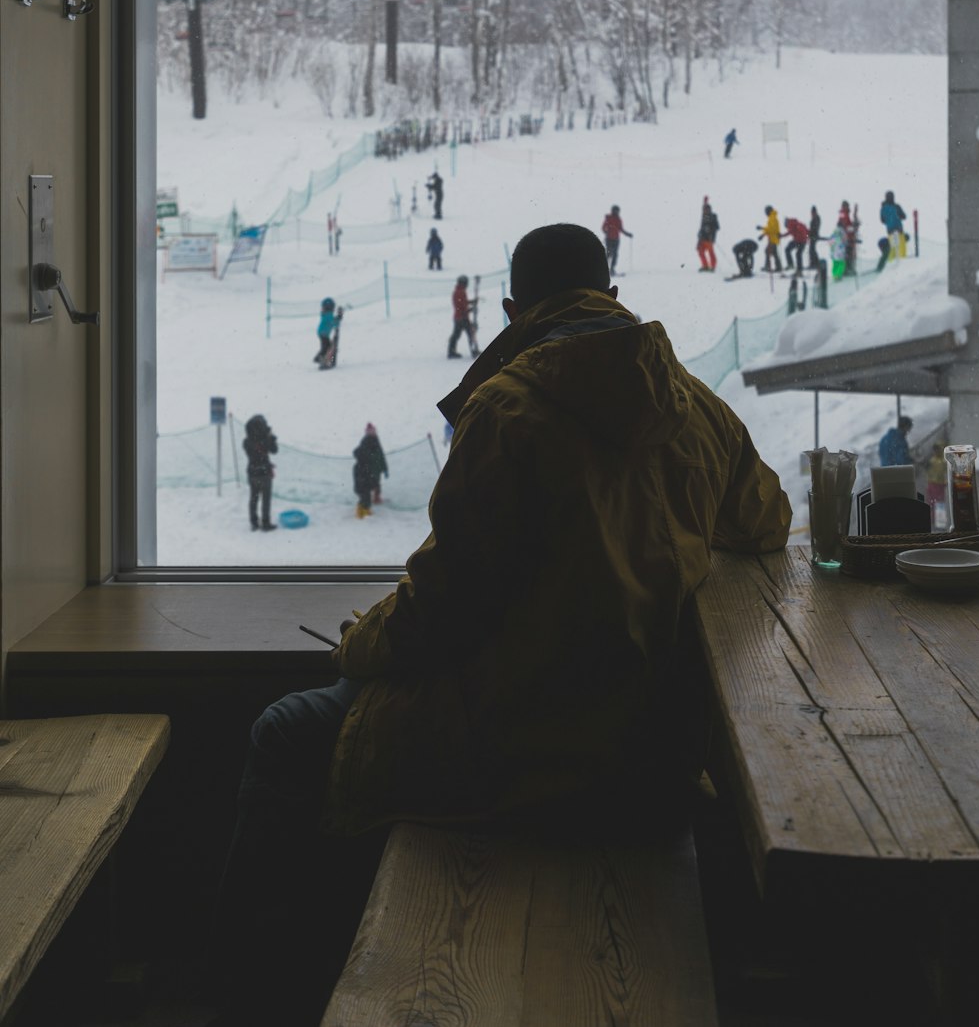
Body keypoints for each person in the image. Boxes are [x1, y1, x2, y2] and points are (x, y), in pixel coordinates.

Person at [210, 223, 790, 1027]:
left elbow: (446, 607)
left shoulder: (509, 409)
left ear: (515, 310)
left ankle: (259, 998)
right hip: (652, 745)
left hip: (525, 739)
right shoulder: (695, 406)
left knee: (285, 733)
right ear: (612, 296)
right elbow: (765, 522)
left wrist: (361, 642)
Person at [243, 415, 277, 533]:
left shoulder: (246, 442)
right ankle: (265, 523)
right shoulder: (265, 440)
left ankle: (254, 523)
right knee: (266, 499)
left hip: (252, 473)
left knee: (253, 498)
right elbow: (274, 450)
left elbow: (255, 446)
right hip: (264, 473)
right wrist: (271, 436)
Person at [353, 423, 389, 518]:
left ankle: (375, 499)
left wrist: (385, 469)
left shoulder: (376, 440)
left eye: (373, 431)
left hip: (375, 470)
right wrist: (367, 466)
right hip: (368, 471)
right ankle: (361, 511)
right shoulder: (367, 441)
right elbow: (361, 453)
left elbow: (381, 456)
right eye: (370, 432)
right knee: (366, 492)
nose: (373, 433)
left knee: (376, 485)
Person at [447, 275, 478, 359]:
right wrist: (470, 309)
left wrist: (471, 302)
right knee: (470, 333)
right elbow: (461, 305)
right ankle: (473, 350)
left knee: (456, 334)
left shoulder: (459, 291)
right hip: (462, 317)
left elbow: (463, 303)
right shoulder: (460, 292)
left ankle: (451, 351)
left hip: (459, 317)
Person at [601, 204, 632, 277]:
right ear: (612, 210)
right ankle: (605, 270)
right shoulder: (608, 218)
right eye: (615, 210)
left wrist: (628, 234)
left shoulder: (618, 219)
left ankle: (612, 269)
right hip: (609, 239)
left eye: (617, 211)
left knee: (615, 255)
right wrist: (606, 231)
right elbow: (603, 227)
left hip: (616, 239)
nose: (616, 212)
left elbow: (621, 229)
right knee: (609, 254)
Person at [880, 191, 907, 260]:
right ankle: (903, 262)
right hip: (899, 228)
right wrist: (898, 216)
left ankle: (892, 263)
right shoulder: (896, 206)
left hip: (890, 230)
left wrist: (888, 220)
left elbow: (882, 220)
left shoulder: (883, 208)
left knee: (892, 249)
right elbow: (904, 216)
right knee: (901, 249)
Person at [696, 197, 719, 272]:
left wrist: (710, 230)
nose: (705, 211)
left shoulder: (713, 216)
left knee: (710, 252)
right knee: (700, 250)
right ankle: (705, 265)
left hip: (709, 238)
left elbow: (717, 227)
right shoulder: (704, 216)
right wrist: (700, 233)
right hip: (702, 238)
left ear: (709, 210)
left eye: (706, 209)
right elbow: (702, 227)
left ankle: (712, 266)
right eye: (704, 209)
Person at [757, 205, 781, 273]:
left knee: (767, 251)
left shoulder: (773, 218)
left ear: (769, 211)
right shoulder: (771, 218)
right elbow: (769, 229)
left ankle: (768, 266)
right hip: (772, 239)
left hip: (773, 239)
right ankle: (778, 267)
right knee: (773, 252)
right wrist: (763, 235)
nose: (765, 213)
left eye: (766, 211)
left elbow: (772, 229)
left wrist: (762, 228)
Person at [837, 201, 859, 276]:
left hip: (847, 237)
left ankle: (847, 269)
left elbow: (845, 226)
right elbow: (845, 227)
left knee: (848, 252)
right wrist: (853, 228)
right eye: (847, 206)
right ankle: (848, 269)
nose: (848, 207)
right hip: (847, 238)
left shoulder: (844, 214)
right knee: (848, 253)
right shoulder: (844, 214)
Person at [314, 297, 337, 366]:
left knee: (327, 347)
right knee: (327, 347)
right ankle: (319, 358)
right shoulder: (328, 315)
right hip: (323, 333)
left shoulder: (326, 314)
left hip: (323, 333)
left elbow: (333, 321)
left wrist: (338, 318)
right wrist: (338, 319)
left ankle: (324, 359)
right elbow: (333, 322)